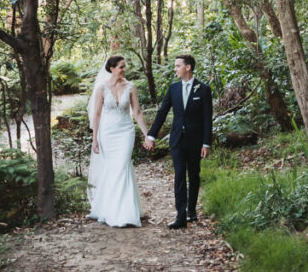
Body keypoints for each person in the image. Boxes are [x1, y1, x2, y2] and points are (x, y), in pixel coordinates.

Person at [143, 54, 213, 229]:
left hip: (196, 141)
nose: (175, 69)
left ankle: (191, 211)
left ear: (188, 67)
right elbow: (162, 112)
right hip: (177, 141)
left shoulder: (203, 89)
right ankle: (181, 216)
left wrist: (206, 143)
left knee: (194, 175)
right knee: (180, 175)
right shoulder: (173, 88)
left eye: (177, 66)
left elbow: (207, 119)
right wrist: (151, 135)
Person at [86, 55, 149, 227]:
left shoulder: (130, 87)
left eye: (124, 66)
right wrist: (95, 140)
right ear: (112, 68)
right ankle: (109, 209)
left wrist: (146, 134)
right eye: (121, 67)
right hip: (107, 133)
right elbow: (97, 115)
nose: (124, 69)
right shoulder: (101, 88)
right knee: (112, 169)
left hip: (125, 132)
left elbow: (137, 112)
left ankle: (126, 213)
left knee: (123, 166)